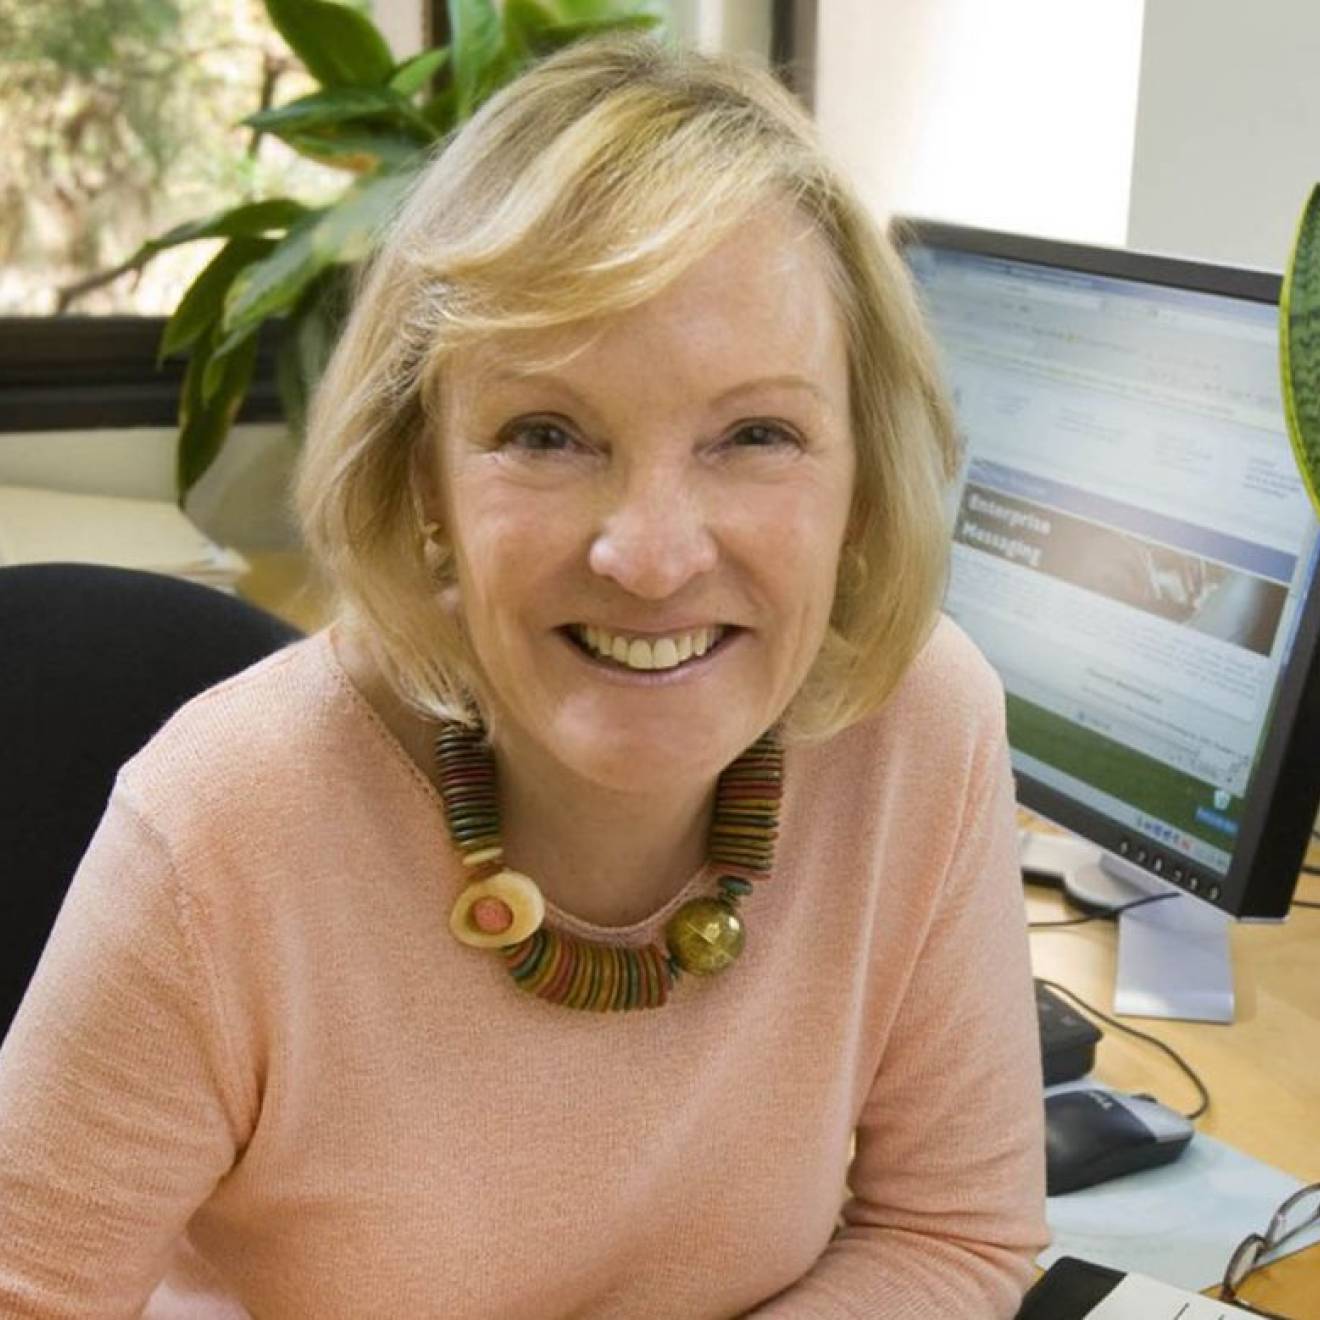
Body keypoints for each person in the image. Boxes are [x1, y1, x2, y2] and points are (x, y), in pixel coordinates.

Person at [0, 35, 1048, 1319]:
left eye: (756, 435)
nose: (653, 557)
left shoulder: (922, 729)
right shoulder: (217, 834)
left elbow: (952, 1235)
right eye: (546, 435)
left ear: (865, 487)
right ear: (423, 483)